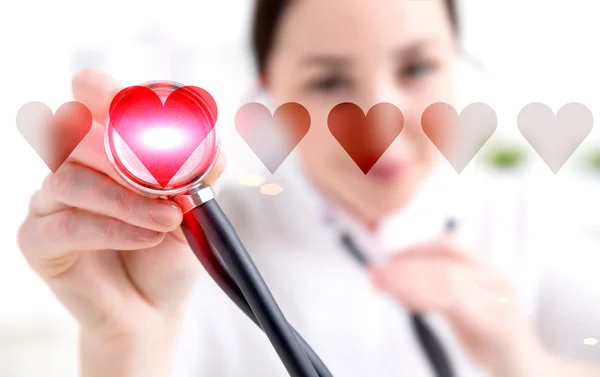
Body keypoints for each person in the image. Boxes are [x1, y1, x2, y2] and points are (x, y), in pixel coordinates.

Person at [16, 0, 600, 376]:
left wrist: (525, 362)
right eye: (328, 80)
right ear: (270, 93)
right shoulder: (186, 251)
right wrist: (123, 341)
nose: (379, 116)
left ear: (459, 65)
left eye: (418, 68)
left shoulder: (532, 215)